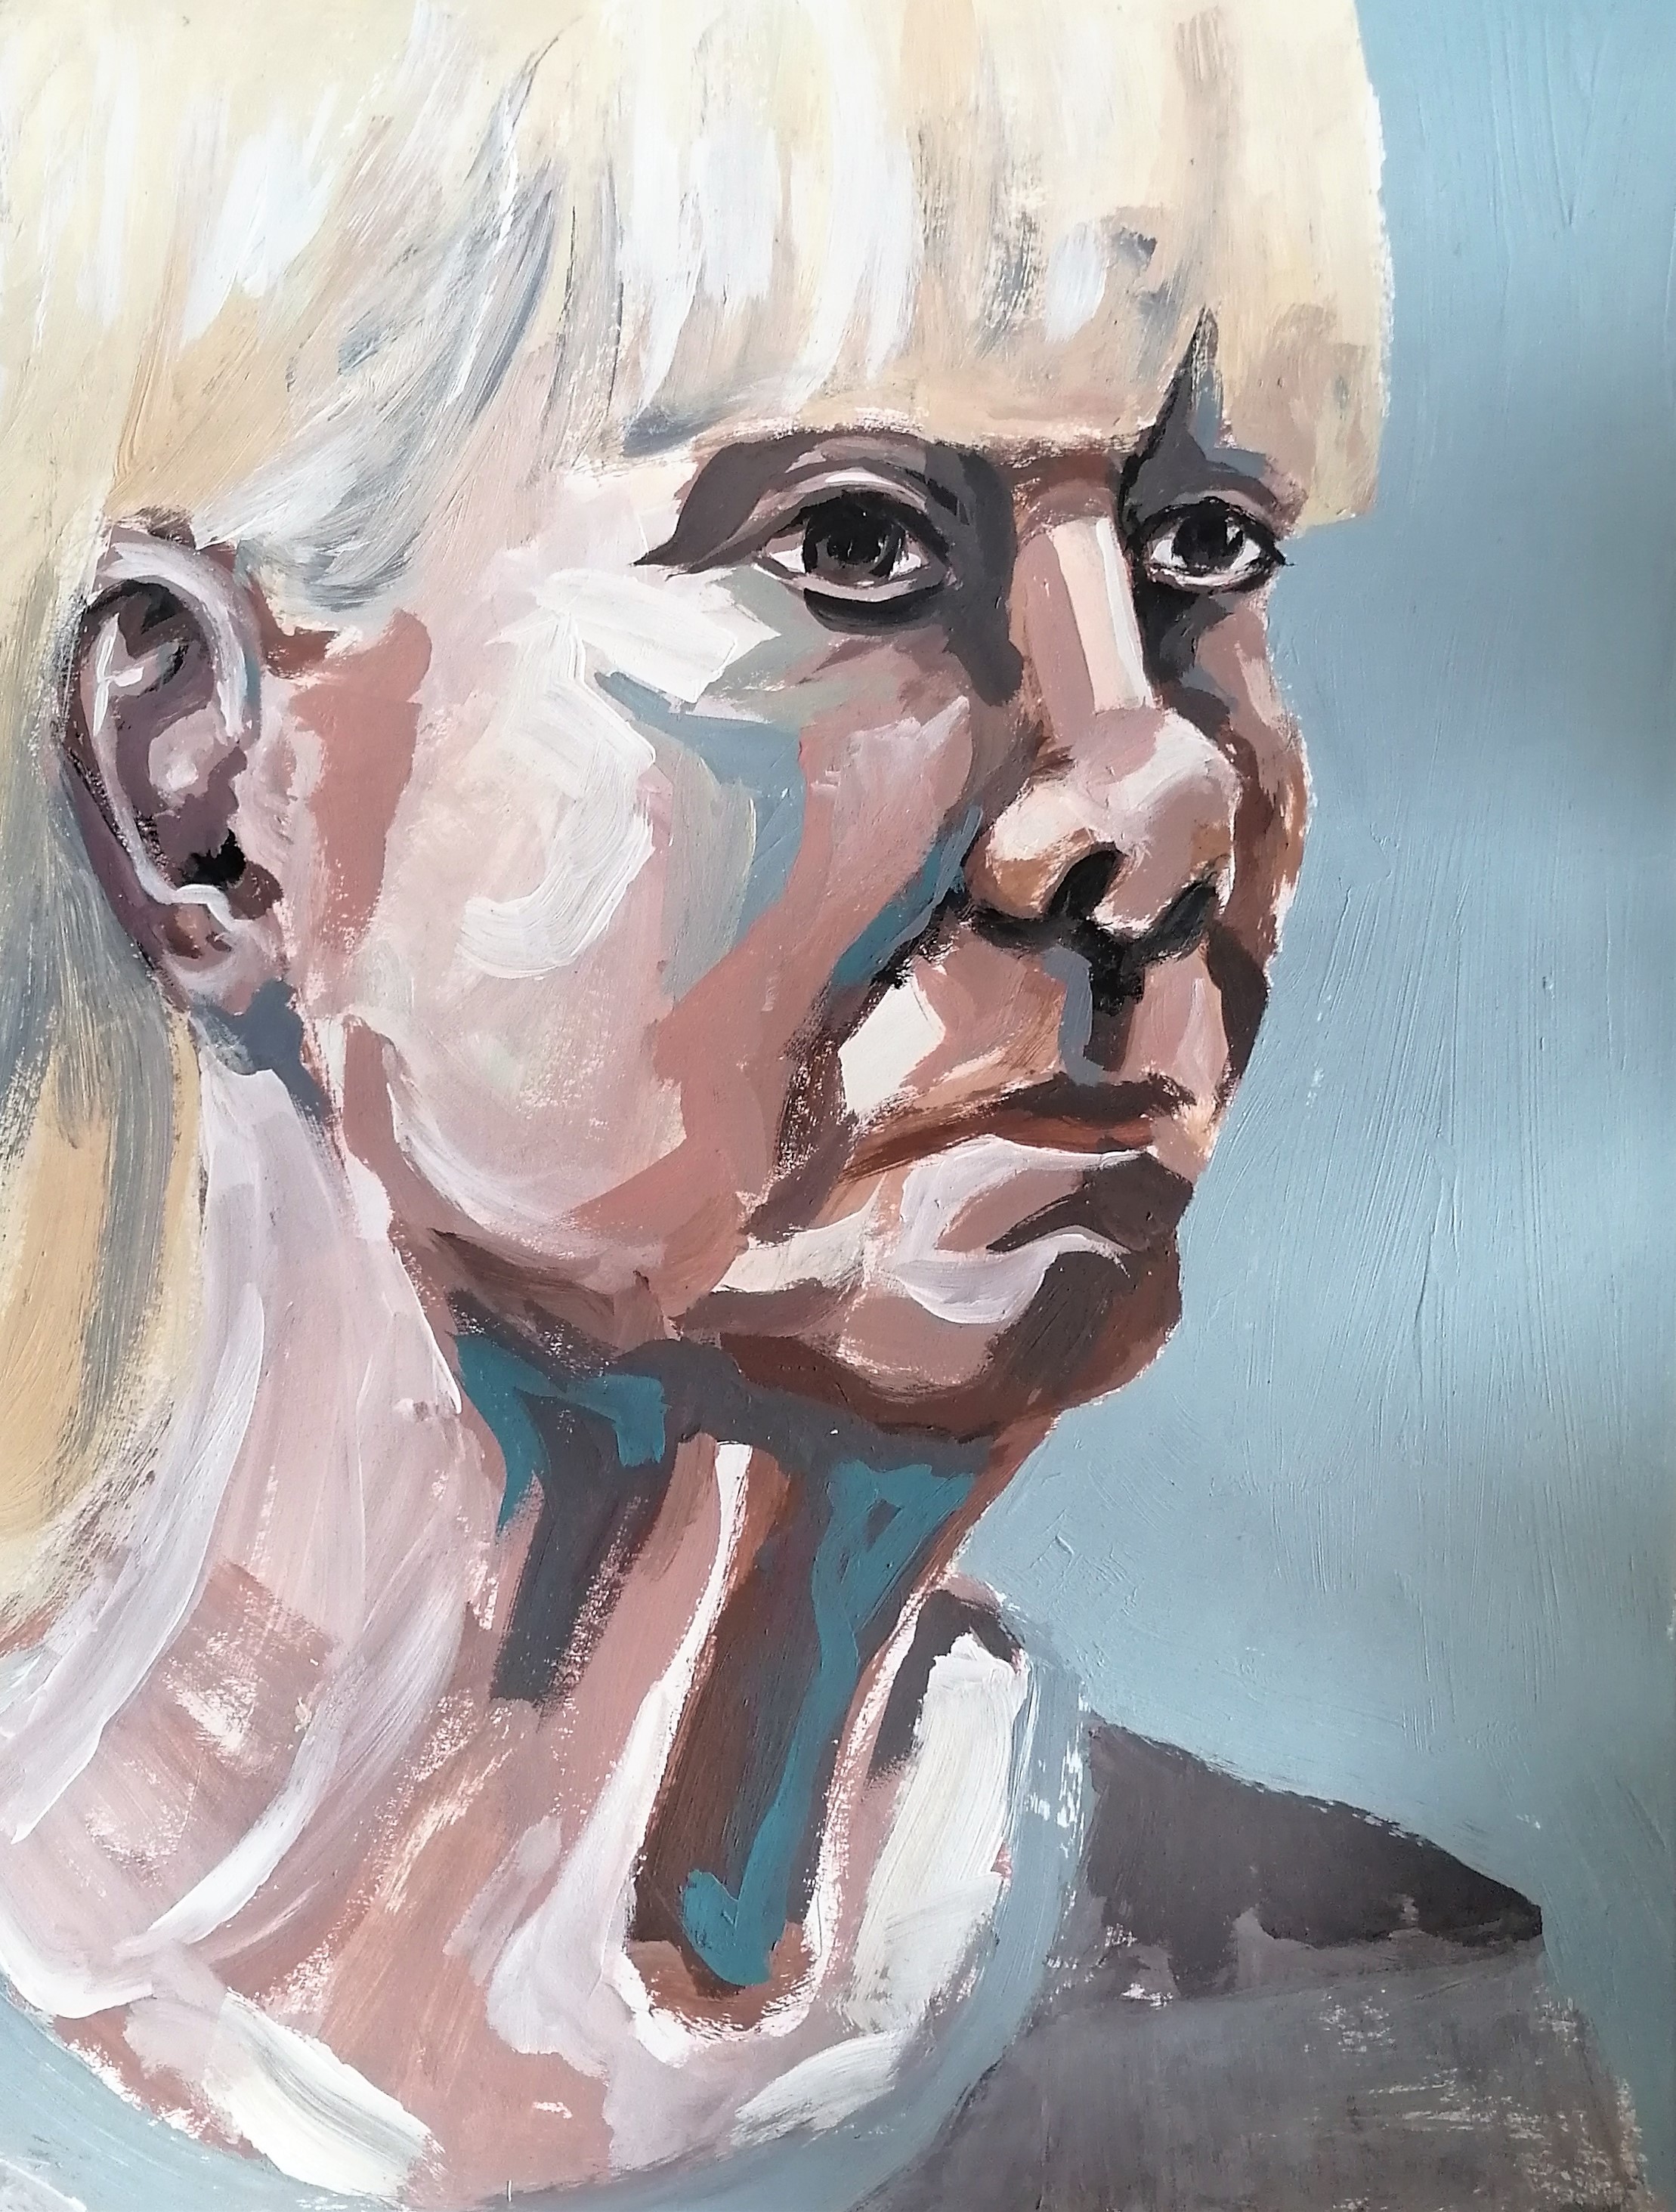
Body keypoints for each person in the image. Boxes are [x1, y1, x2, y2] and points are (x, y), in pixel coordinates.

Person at [0, 2, 1651, 2207]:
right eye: (857, 546)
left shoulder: (1399, 2087)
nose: (1150, 789)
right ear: (200, 786)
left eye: (1202, 556)